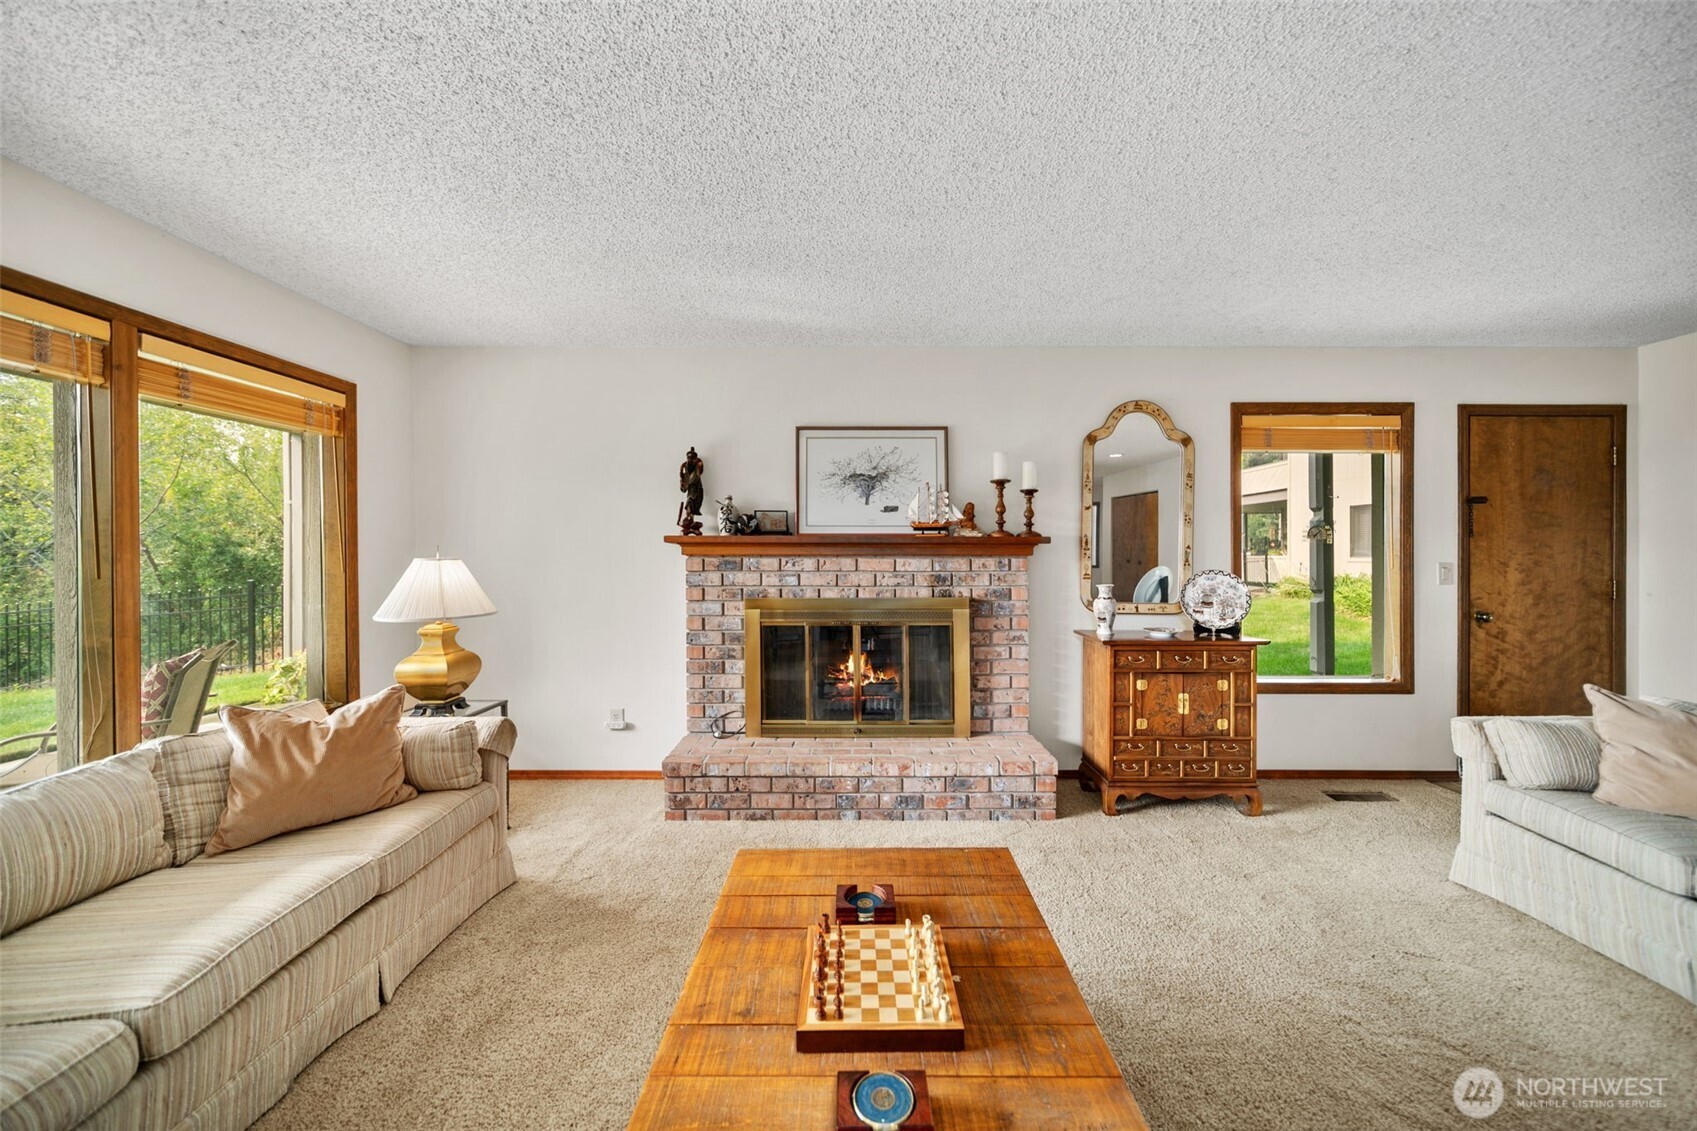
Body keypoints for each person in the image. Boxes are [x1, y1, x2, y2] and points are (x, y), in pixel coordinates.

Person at [677, 447, 705, 534]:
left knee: (692, 504)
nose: (689, 460)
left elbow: (699, 471)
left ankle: (691, 521)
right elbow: (684, 488)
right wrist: (682, 484)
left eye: (691, 458)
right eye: (688, 458)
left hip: (696, 491)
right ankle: (689, 520)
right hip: (690, 493)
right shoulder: (685, 469)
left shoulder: (697, 468)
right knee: (689, 505)